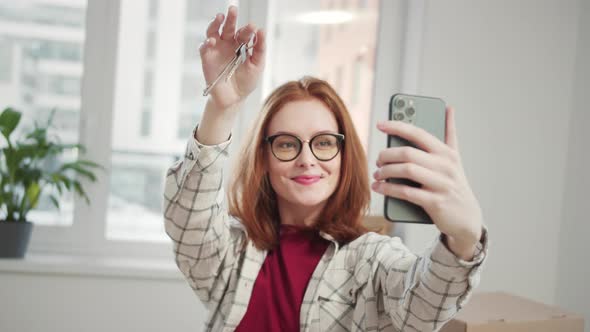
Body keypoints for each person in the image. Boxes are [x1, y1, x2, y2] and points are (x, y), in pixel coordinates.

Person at [163, 5, 488, 332]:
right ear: (264, 158)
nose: (307, 159)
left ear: (344, 156)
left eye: (323, 142)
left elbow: (423, 310)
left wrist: (463, 239)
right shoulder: (232, 250)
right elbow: (189, 220)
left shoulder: (372, 260)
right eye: (288, 144)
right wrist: (222, 107)